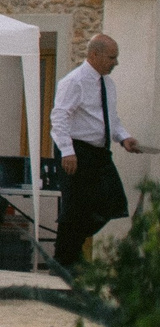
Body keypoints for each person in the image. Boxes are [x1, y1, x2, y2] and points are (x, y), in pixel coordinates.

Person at [52, 33, 144, 269]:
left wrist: (124, 138)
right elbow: (60, 117)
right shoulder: (74, 81)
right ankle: (65, 259)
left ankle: (71, 248)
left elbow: (109, 119)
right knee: (75, 207)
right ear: (95, 55)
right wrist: (67, 151)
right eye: (112, 57)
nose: (116, 63)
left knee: (111, 204)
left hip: (99, 153)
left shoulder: (107, 84)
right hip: (76, 149)